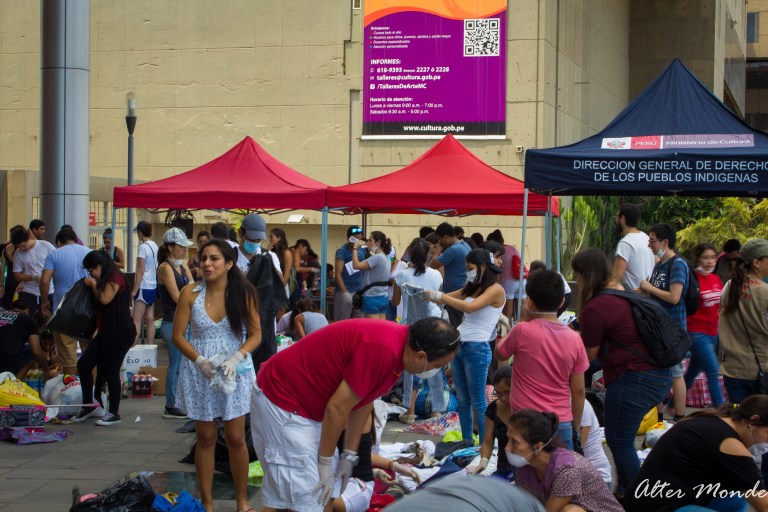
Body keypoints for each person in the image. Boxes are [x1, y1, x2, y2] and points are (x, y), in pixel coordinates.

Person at [250, 317, 460, 511]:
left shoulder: (398, 351)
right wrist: (324, 462)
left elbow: (362, 404)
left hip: (304, 405)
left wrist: (349, 455)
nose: (437, 370)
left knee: (324, 492)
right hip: (283, 400)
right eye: (438, 366)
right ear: (420, 356)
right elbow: (337, 408)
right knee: (311, 495)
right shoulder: (385, 350)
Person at [572, 248, 672, 498]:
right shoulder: (622, 292)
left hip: (634, 379)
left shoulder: (597, 306)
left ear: (584, 275)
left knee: (619, 441)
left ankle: (638, 497)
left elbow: (587, 357)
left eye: (577, 275)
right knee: (622, 439)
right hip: (658, 374)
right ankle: (625, 491)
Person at [173, 238, 261, 512]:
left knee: (236, 437)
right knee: (206, 437)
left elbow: (256, 334)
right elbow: (178, 336)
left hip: (234, 370)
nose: (207, 264)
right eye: (203, 258)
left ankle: (242, 501)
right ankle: (207, 503)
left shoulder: (243, 293)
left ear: (229, 263)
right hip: (201, 371)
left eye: (214, 259)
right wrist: (199, 360)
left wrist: (237, 356)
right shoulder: (190, 293)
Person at [625, 395, 768, 512]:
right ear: (753, 420)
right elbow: (764, 505)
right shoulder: (729, 442)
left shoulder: (717, 420)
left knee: (737, 498)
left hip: (662, 496)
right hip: (654, 505)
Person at [495, 269, 587, 450]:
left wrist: (523, 320)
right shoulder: (575, 339)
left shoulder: (522, 330)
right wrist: (575, 428)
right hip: (560, 421)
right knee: (561, 468)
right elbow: (578, 391)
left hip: (524, 422)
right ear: (562, 301)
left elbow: (500, 353)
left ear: (528, 300)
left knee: (525, 469)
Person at [423, 248, 505, 442]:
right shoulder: (472, 287)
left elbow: (469, 307)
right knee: (463, 399)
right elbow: (448, 296)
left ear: (483, 267)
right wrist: (429, 294)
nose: (467, 272)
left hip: (477, 348)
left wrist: (439, 297)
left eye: (470, 268)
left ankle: (484, 445)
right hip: (460, 345)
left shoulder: (496, 289)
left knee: (478, 401)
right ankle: (467, 441)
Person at [507, 409, 624, 512]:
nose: (507, 448)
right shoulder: (525, 467)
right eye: (509, 440)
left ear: (538, 447)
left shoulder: (567, 470)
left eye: (514, 442)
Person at [73, 251, 136, 426]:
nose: (91, 274)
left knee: (111, 370)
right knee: (84, 364)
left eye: (91, 270)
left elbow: (105, 299)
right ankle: (89, 405)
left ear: (99, 266)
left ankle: (114, 413)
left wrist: (92, 284)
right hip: (106, 332)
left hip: (120, 332)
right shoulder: (108, 278)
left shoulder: (115, 277)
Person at [391, 238, 446, 424]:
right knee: (435, 364)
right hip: (433, 324)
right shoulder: (436, 275)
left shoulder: (401, 276)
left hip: (411, 326)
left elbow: (395, 302)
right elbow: (438, 299)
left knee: (411, 366)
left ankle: (410, 410)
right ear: (428, 256)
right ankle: (437, 410)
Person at [640, 223, 689, 421]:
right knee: (657, 372)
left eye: (652, 241)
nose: (649, 245)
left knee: (676, 374)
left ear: (665, 242)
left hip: (673, 330)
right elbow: (655, 293)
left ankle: (679, 417)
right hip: (657, 328)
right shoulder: (659, 264)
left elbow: (674, 297)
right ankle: (658, 417)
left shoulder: (678, 264)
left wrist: (649, 288)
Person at [719, 238, 768, 404]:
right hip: (761, 369)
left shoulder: (729, 286)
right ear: (756, 262)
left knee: (739, 417)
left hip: (733, 369)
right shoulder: (765, 291)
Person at [39, 228, 91, 375]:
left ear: (58, 242)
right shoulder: (89, 252)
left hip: (63, 312)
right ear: (75, 239)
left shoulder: (54, 254)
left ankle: (71, 387)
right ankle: (93, 387)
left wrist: (44, 302)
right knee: (90, 352)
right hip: (87, 310)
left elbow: (44, 281)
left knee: (68, 356)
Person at [156, 228, 195, 420]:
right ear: (170, 247)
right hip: (172, 322)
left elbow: (193, 288)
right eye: (181, 247)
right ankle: (171, 405)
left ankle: (181, 402)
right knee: (176, 364)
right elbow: (177, 297)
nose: (185, 250)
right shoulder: (165, 268)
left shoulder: (182, 265)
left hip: (186, 321)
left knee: (185, 365)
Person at [684, 242, 725, 407]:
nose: (710, 261)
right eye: (705, 257)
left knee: (693, 371)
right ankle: (722, 412)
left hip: (713, 332)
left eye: (713, 257)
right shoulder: (691, 279)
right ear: (698, 259)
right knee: (713, 372)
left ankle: (672, 405)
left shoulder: (716, 279)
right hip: (696, 332)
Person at [473, 365, 513, 479]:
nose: (503, 398)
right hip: (503, 467)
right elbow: (488, 440)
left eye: (507, 392)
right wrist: (484, 461)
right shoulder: (493, 409)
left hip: (525, 469)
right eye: (498, 393)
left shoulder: (525, 408)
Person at [429, 222, 471, 327]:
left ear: (445, 237)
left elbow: (432, 266)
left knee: (456, 324)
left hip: (455, 292)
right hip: (463, 289)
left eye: (440, 240)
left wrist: (437, 251)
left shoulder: (453, 249)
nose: (440, 243)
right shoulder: (465, 245)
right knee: (461, 322)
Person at [10, 224, 55, 317]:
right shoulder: (18, 253)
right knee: (29, 320)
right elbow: (17, 275)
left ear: (28, 239)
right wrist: (33, 277)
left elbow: (57, 263)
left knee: (49, 319)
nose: (22, 248)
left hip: (49, 291)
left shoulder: (46, 245)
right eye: (19, 247)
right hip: (29, 292)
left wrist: (48, 276)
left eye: (23, 245)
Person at [0, 300, 52, 378]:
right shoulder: (29, 320)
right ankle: (14, 381)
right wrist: (47, 370)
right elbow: (36, 352)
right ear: (26, 311)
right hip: (6, 365)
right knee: (31, 352)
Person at [613, 203, 655, 291]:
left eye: (617, 216)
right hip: (648, 294)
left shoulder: (625, 243)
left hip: (633, 296)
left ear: (622, 219)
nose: (615, 219)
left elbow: (616, 278)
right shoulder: (645, 237)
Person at [487, 229, 527, 322]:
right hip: (522, 279)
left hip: (508, 281)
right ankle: (524, 326)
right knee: (522, 309)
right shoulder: (512, 248)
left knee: (507, 311)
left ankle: (508, 328)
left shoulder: (497, 252)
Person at [352, 231, 392, 319]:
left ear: (378, 242)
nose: (367, 243)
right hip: (383, 297)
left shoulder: (377, 257)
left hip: (372, 297)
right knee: (381, 326)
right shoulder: (386, 257)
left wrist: (355, 248)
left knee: (372, 327)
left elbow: (356, 265)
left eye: (370, 240)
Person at [130, 221, 159, 345]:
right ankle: (150, 347)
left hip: (143, 286)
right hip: (153, 286)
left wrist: (134, 290)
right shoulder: (155, 245)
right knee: (150, 318)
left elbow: (140, 271)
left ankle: (130, 348)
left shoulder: (142, 247)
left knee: (136, 320)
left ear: (140, 232)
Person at [334, 226, 366, 322]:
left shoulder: (362, 250)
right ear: (349, 238)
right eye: (356, 239)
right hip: (344, 292)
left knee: (359, 321)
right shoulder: (342, 251)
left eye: (360, 239)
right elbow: (338, 274)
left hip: (358, 291)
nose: (358, 242)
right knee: (342, 322)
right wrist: (345, 293)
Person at [290, 239, 320, 304]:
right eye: (305, 250)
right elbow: (297, 268)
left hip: (296, 283)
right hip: (295, 284)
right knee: (295, 304)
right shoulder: (296, 252)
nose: (305, 253)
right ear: (301, 246)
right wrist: (311, 269)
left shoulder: (293, 253)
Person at [269, 228, 293, 299]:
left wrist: (280, 288)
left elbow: (287, 274)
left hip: (281, 285)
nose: (269, 239)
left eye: (271, 237)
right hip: (271, 285)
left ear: (279, 238)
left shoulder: (286, 253)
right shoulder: (272, 252)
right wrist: (268, 250)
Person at [386, 247, 408, 321]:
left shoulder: (403, 265)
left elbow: (407, 280)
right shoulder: (383, 265)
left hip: (398, 299)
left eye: (390, 259)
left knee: (397, 321)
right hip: (385, 298)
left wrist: (396, 282)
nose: (389, 261)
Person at [1, 231, 19, 308]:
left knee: (8, 307)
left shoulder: (5, 250)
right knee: (20, 308)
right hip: (21, 282)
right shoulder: (22, 250)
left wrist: (1, 285)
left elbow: (2, 269)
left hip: (9, 282)